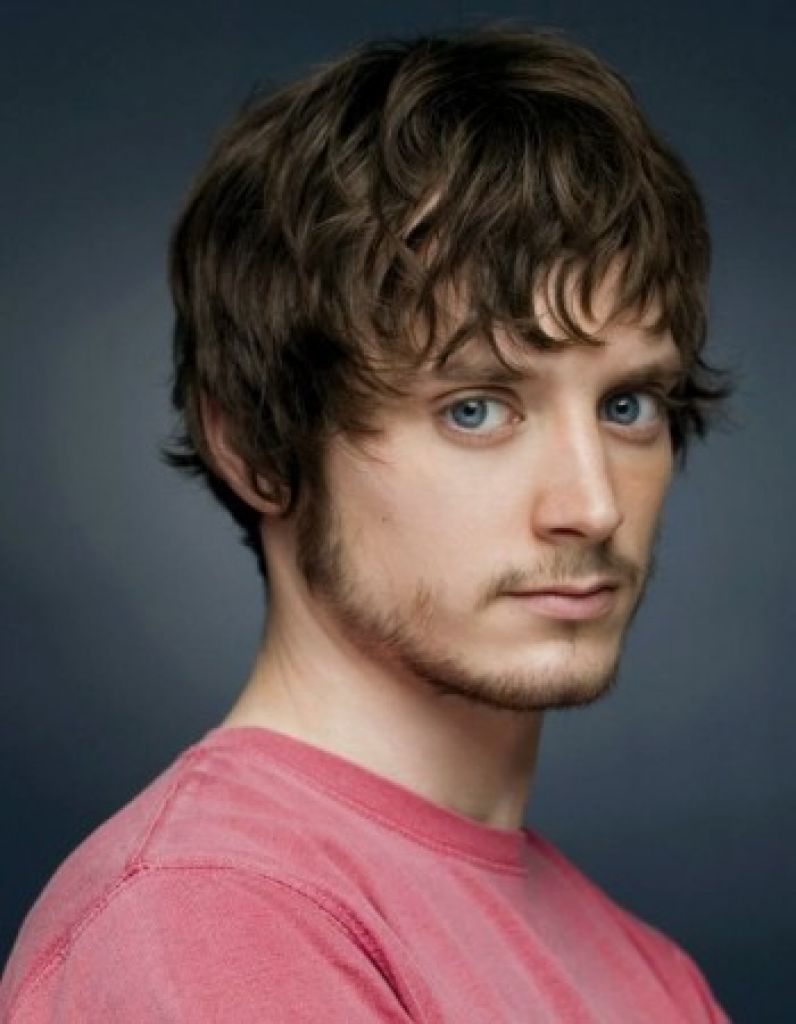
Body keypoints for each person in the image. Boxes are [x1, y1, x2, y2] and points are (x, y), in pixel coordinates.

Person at [1, 25, 733, 1022]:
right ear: (257, 446)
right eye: (475, 408)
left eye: (627, 405)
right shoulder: (208, 917)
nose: (593, 504)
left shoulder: (652, 976)